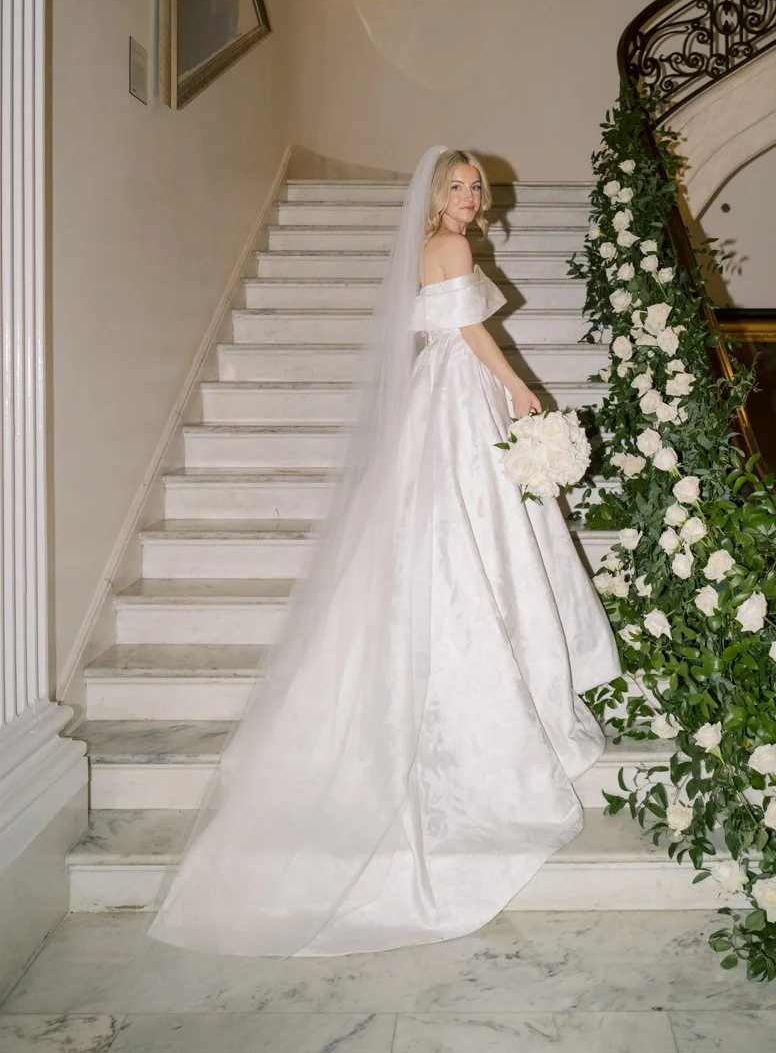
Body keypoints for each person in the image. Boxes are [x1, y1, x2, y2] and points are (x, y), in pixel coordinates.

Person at [148, 146, 621, 957]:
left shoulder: (429, 245)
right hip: (461, 393)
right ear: (439, 193)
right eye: (460, 186)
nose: (473, 196)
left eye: (479, 187)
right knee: (473, 530)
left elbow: (451, 326)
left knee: (458, 528)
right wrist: (516, 386)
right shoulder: (452, 246)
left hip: (445, 392)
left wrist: (500, 385)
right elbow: (470, 328)